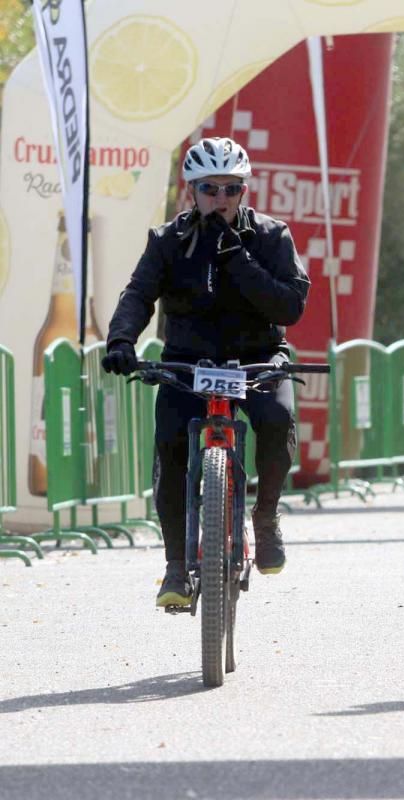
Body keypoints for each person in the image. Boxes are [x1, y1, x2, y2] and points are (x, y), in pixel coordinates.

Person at [102, 136, 311, 607]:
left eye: (231, 189)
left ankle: (265, 515)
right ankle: (175, 566)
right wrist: (121, 340)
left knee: (276, 421)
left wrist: (237, 259)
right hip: (188, 360)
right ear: (191, 192)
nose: (220, 199)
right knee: (171, 443)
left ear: (244, 192)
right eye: (210, 189)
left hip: (257, 357)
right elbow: (137, 295)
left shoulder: (272, 236)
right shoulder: (167, 240)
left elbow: (291, 305)